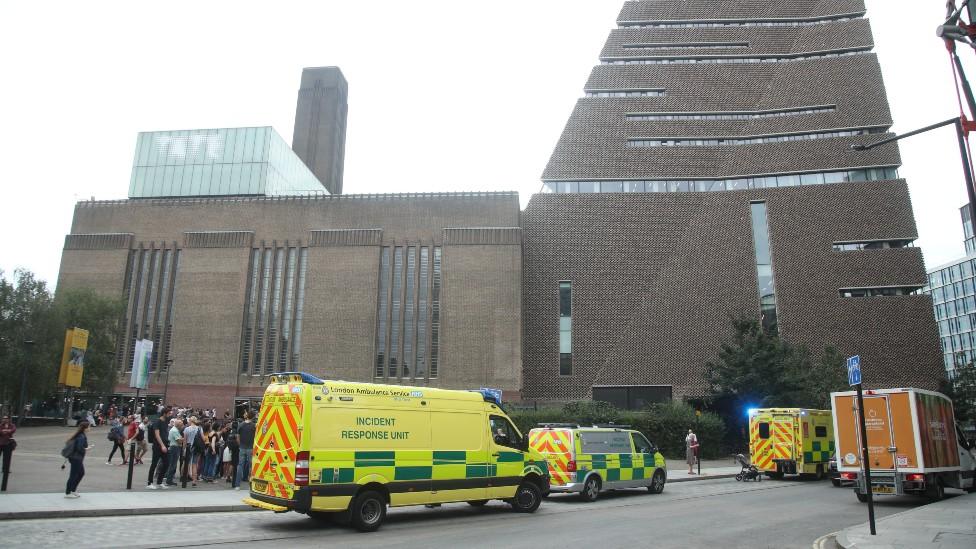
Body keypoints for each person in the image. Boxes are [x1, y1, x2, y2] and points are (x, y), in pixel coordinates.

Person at [64, 420, 92, 498]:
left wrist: (85, 448)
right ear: (85, 428)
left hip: (76, 458)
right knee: (74, 475)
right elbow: (79, 448)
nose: (90, 428)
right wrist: (87, 449)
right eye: (89, 426)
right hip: (76, 458)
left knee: (80, 473)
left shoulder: (80, 435)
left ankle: (73, 490)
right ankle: (68, 492)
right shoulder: (81, 436)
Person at [147, 407, 172, 489]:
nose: (169, 415)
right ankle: (149, 483)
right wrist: (162, 445)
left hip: (164, 445)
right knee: (154, 464)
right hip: (158, 446)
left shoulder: (165, 421)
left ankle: (159, 481)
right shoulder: (157, 421)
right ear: (164, 413)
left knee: (167, 463)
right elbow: (157, 435)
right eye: (168, 413)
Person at [233, 411, 255, 490]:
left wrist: (240, 445)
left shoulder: (241, 425)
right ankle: (251, 484)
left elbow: (237, 436)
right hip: (251, 448)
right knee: (251, 466)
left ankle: (237, 485)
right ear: (252, 417)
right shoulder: (254, 426)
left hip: (242, 447)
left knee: (240, 465)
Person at [164, 419, 184, 486]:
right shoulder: (175, 431)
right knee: (173, 464)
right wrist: (183, 439)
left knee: (172, 464)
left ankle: (169, 480)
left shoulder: (174, 429)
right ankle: (169, 480)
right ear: (178, 425)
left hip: (173, 448)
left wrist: (181, 439)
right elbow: (179, 441)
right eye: (181, 425)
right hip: (174, 448)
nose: (182, 426)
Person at [0, 415, 16, 481]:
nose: (5, 419)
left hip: (8, 444)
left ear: (9, 419)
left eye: (6, 418)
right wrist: (5, 432)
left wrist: (7, 431)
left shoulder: (12, 425)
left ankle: (5, 469)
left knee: (7, 457)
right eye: (4, 418)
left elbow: (13, 430)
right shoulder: (0, 425)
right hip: (0, 443)